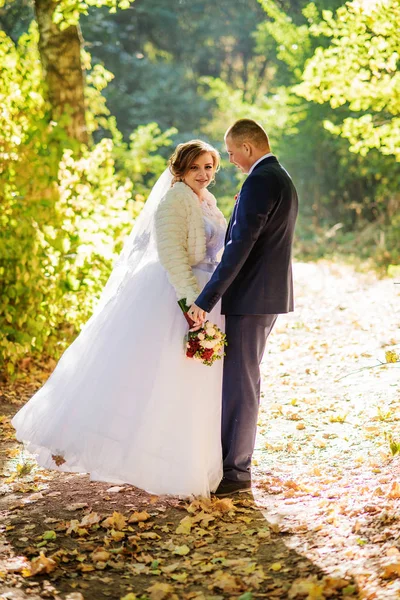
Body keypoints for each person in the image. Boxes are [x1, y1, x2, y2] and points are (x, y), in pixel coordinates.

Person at [11, 140, 227, 498]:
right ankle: (115, 446)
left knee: (188, 382)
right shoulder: (174, 201)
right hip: (178, 293)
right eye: (196, 168)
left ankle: (182, 455)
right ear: (180, 171)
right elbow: (173, 255)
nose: (204, 175)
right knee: (154, 376)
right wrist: (192, 304)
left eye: (209, 167)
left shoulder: (207, 200)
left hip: (205, 293)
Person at [189, 119, 299, 497]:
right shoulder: (275, 176)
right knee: (243, 379)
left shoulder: (262, 180)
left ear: (249, 148)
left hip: (251, 297)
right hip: (260, 297)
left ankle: (236, 471)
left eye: (232, 152)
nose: (231, 160)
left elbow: (240, 246)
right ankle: (232, 464)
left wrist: (205, 299)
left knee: (240, 383)